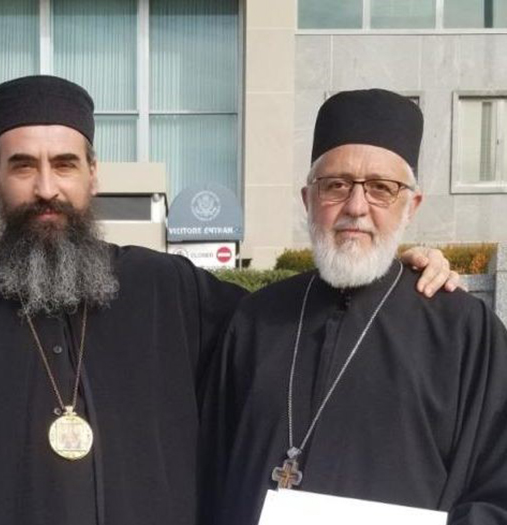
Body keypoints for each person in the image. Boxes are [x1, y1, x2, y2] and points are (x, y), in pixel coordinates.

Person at [0, 77, 456, 525]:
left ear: (93, 175)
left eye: (65, 164)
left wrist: (385, 265)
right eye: (23, 166)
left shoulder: (167, 289)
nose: (46, 188)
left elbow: (296, 321)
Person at [200, 89, 507, 525]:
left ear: (411, 206)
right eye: (336, 185)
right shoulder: (255, 319)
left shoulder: (464, 331)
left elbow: (497, 494)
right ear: (308, 200)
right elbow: (211, 473)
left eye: (382, 188)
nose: (356, 207)